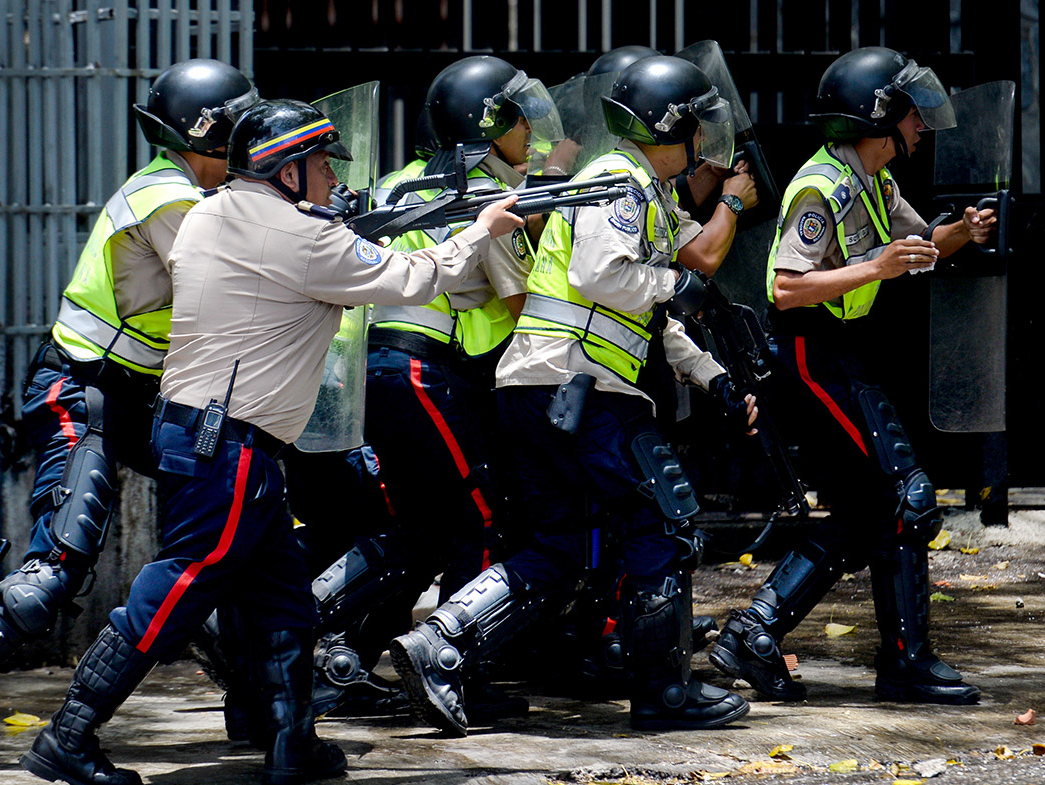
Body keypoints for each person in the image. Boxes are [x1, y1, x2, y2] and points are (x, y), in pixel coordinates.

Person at [18, 98, 524, 785]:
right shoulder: (302, 238)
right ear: (284, 172)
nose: (328, 176)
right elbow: (416, 276)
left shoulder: (211, 212)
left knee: (284, 600)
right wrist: (483, 227)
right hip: (227, 443)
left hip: (214, 437)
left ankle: (294, 743)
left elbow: (305, 249)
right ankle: (68, 734)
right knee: (178, 587)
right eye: (318, 163)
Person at [0, 59, 260, 774]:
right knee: (55, 568)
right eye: (246, 121)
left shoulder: (211, 193)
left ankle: (260, 701)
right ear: (211, 130)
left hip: (144, 397)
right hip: (81, 391)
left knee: (231, 525)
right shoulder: (168, 200)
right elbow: (240, 278)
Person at [389, 55, 759, 737]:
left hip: (548, 384)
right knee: (658, 523)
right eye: (694, 128)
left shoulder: (643, 191)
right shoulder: (617, 180)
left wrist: (712, 374)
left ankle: (438, 646)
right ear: (669, 125)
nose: (704, 142)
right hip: (580, 385)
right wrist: (677, 285)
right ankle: (664, 692)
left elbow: (646, 311)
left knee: (566, 546)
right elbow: (604, 275)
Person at [707, 46, 995, 705]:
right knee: (906, 494)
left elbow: (916, 250)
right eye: (909, 113)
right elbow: (784, 286)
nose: (921, 125)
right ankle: (906, 662)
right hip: (810, 352)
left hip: (839, 352)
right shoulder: (822, 187)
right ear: (876, 116)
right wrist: (877, 267)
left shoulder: (875, 182)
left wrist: (965, 232)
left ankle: (754, 631)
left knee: (868, 512)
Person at [310, 55, 548, 720]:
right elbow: (522, 301)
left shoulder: (399, 180)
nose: (529, 127)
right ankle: (454, 669)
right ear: (487, 123)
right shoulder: (479, 190)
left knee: (413, 524)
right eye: (516, 115)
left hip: (372, 368)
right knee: (479, 515)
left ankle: (333, 649)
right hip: (421, 369)